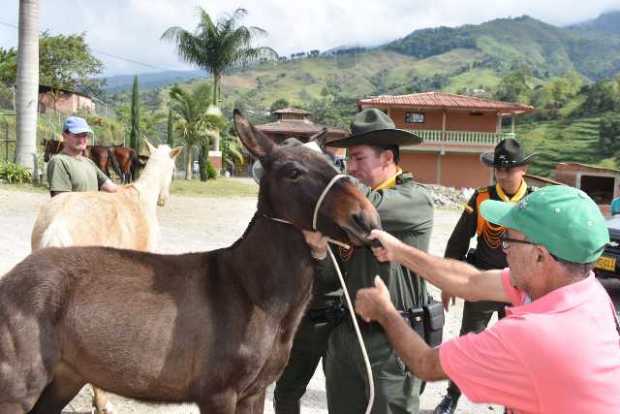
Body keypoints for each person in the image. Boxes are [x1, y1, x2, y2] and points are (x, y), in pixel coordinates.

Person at [356, 185, 620, 414]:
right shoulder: (586, 292)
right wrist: (398, 251)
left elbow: (426, 363)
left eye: (508, 240)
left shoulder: (529, 335)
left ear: (540, 256)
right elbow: (471, 282)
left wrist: (385, 311)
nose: (504, 251)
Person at [304, 107, 434, 414]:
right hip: (346, 335)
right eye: (349, 159)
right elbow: (331, 280)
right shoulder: (346, 214)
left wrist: (325, 171)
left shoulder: (414, 201)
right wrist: (319, 252)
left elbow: (369, 208)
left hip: (392, 339)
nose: (351, 167)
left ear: (388, 158)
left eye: (358, 158)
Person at [435, 138, 536, 414]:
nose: (502, 175)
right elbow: (457, 242)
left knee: (518, 350)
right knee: (468, 341)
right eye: (498, 169)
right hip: (483, 285)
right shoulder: (480, 198)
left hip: (521, 290)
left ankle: (513, 405)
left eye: (509, 169)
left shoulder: (535, 202)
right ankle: (452, 396)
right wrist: (448, 282)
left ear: (524, 168)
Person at [47, 116, 118, 197]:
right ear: (64, 136)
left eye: (84, 135)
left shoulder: (89, 162)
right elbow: (62, 201)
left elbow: (111, 188)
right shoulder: (59, 162)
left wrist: (132, 189)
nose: (82, 140)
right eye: (77, 135)